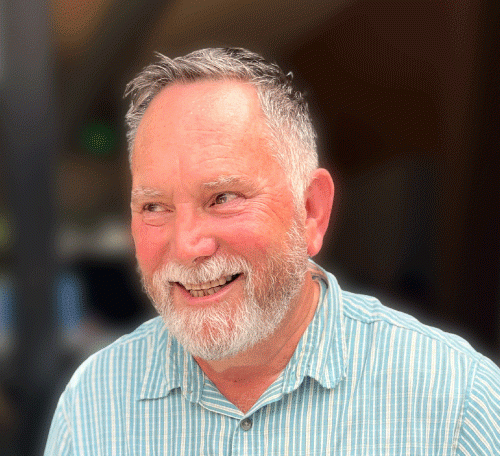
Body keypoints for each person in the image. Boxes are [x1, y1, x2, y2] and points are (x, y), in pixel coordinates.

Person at [44, 48, 500, 455]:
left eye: (223, 198)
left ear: (312, 210)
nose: (186, 245)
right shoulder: (93, 405)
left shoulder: (455, 403)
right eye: (154, 206)